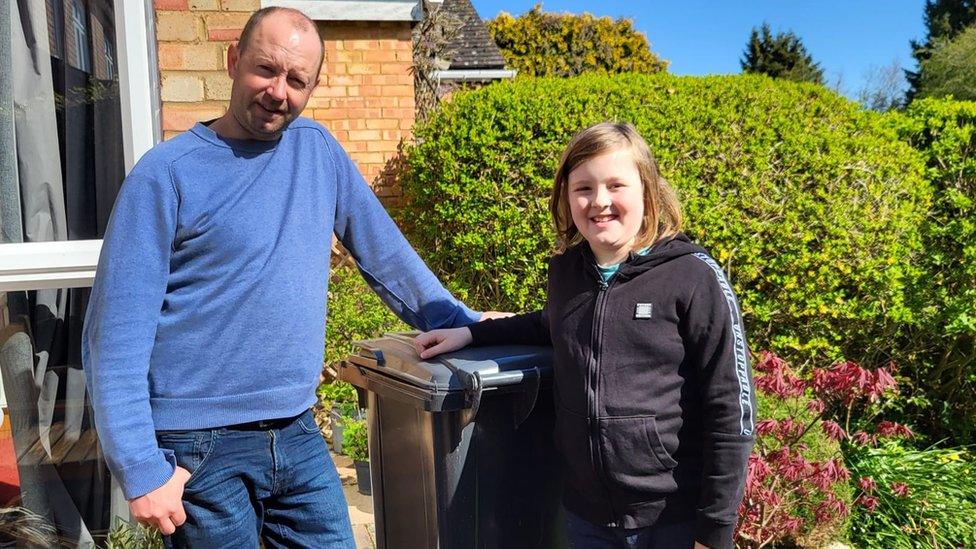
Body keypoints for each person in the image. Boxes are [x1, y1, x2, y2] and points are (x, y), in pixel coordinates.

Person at [82, 6, 496, 547]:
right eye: (266, 70)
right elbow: (114, 334)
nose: (279, 91)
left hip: (297, 431)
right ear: (233, 61)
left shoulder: (317, 152)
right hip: (197, 444)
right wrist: (141, 469)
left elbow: (388, 259)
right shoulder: (166, 175)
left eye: (297, 80)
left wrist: (470, 326)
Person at [415, 122, 756, 549]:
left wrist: (714, 529)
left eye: (616, 185)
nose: (600, 201)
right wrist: (469, 333)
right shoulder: (567, 273)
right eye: (583, 188)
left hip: (672, 518)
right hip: (586, 517)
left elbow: (732, 407)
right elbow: (552, 323)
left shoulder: (692, 276)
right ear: (566, 196)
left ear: (647, 191)